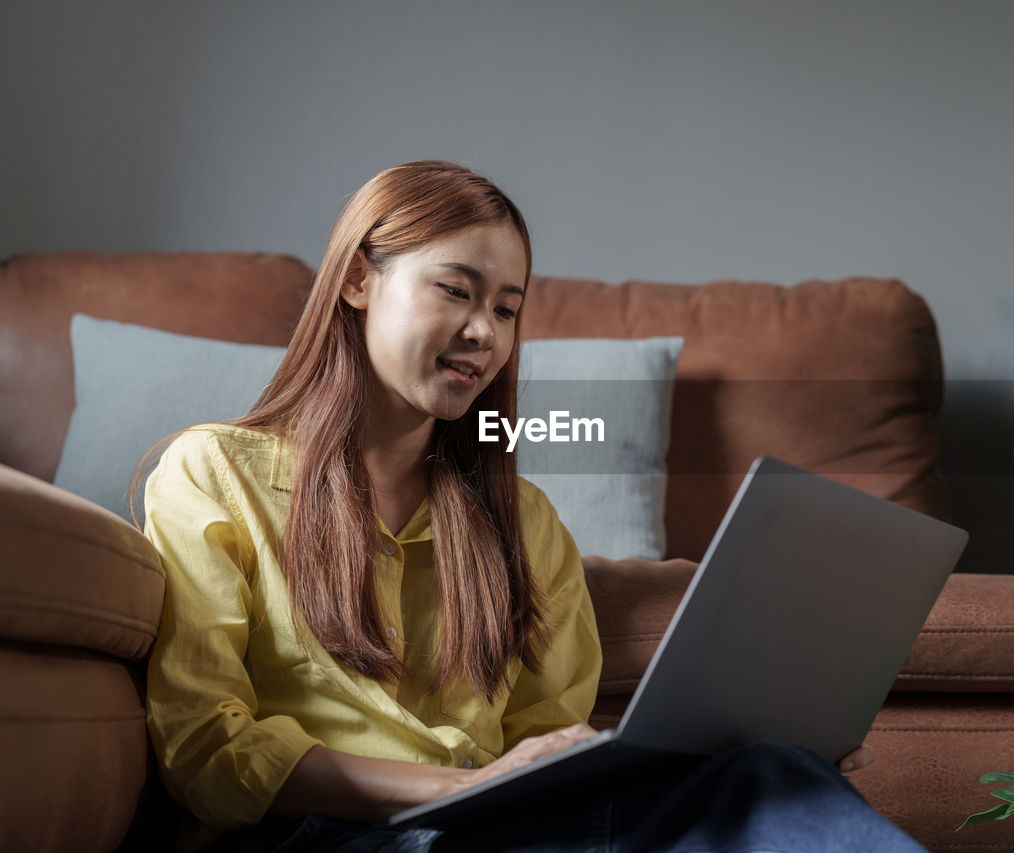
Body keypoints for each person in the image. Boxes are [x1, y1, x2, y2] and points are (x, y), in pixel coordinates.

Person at [139, 160, 926, 852]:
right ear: (357, 280)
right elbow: (205, 750)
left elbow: (547, 759)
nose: (484, 331)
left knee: (769, 771)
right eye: (456, 290)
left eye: (508, 310)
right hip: (311, 837)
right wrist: (450, 790)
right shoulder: (211, 473)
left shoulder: (524, 521)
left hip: (486, 830)